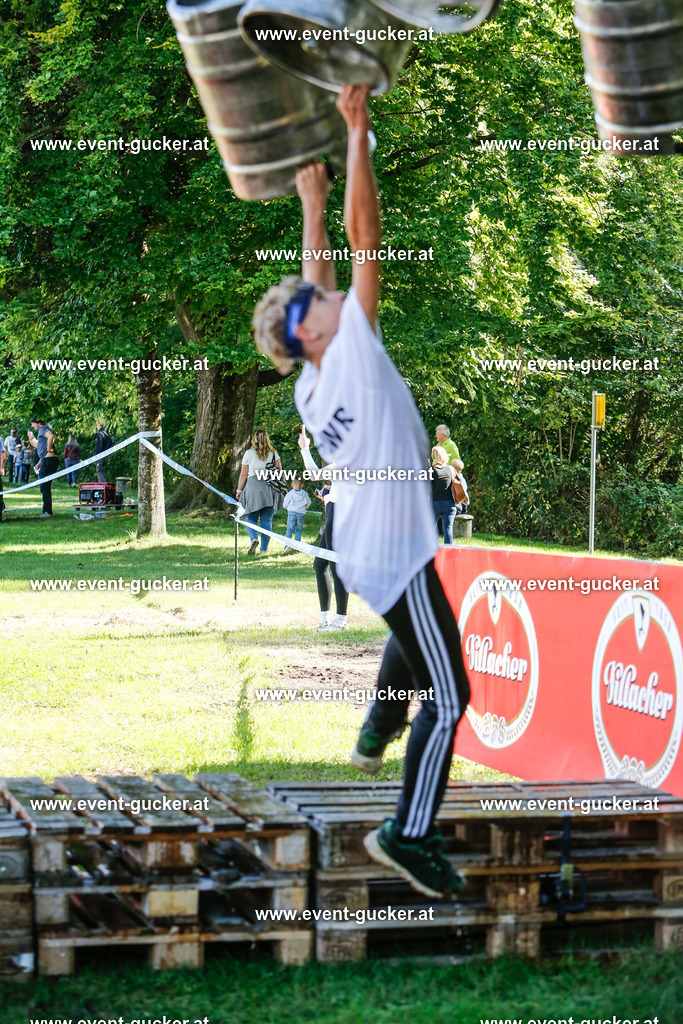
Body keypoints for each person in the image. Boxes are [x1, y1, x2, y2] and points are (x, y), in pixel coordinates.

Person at [252, 85, 471, 898]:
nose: (332, 291)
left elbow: (317, 276)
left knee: (415, 641)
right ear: (311, 331)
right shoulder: (349, 348)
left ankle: (379, 722)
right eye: (319, 301)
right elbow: (365, 240)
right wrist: (355, 130)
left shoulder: (312, 384)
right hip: (390, 553)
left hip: (368, 550)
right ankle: (407, 833)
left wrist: (309, 205)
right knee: (452, 698)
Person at [298, 425, 349, 631]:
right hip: (334, 511)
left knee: (337, 568)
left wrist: (304, 448)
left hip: (339, 515)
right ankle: (324, 618)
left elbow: (313, 474)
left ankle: (340, 620)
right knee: (320, 565)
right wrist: (329, 493)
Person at [235, 429, 283, 555]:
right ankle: (264, 550)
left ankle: (254, 539)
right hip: (269, 487)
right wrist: (283, 489)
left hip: (253, 487)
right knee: (266, 520)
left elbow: (243, 474)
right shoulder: (273, 453)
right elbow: (280, 472)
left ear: (254, 440)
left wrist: (239, 490)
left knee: (250, 517)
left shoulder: (248, 453)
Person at [27, 417, 58, 517]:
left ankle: (47, 511)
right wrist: (31, 437)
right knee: (45, 486)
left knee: (44, 486)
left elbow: (51, 436)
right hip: (47, 460)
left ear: (38, 423)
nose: (32, 426)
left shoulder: (42, 429)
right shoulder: (42, 431)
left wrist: (49, 449)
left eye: (33, 423)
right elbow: (38, 445)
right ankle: (47, 510)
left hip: (49, 460)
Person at [431, 445, 458, 545]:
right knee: (448, 529)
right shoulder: (451, 469)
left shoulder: (431, 470)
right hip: (449, 503)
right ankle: (449, 550)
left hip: (435, 503)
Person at [282, 472, 311, 552]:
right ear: (302, 485)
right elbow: (309, 503)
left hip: (291, 512)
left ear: (291, 484)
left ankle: (287, 545)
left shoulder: (290, 494)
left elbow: (285, 504)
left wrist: (288, 508)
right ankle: (297, 546)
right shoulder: (305, 494)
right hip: (301, 513)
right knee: (298, 529)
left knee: (289, 529)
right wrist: (304, 508)